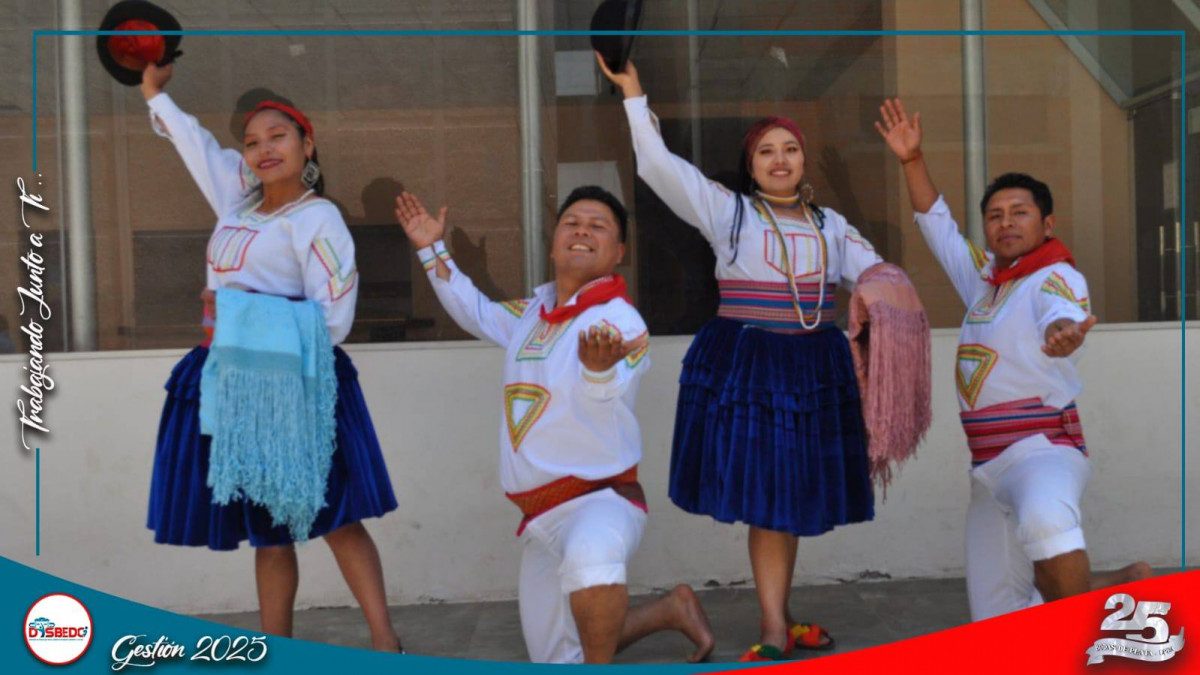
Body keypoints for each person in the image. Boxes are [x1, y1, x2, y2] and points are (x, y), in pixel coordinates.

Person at [599, 55, 885, 661]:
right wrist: (633, 94)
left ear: (803, 160)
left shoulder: (831, 225)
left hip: (813, 368)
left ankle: (780, 613)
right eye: (766, 152)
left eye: (790, 149)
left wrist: (884, 300)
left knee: (792, 499)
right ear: (750, 166)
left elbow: (880, 275)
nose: (781, 159)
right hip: (754, 366)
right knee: (770, 499)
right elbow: (656, 165)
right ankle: (775, 625)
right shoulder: (729, 213)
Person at [141, 61, 402, 651]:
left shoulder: (318, 218)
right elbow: (197, 146)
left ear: (307, 144)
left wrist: (237, 313)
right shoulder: (237, 203)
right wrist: (157, 96)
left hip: (299, 385)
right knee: (269, 532)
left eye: (277, 136)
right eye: (252, 142)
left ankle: (386, 643)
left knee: (334, 517)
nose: (262, 149)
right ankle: (276, 651)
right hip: (234, 382)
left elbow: (333, 319)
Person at [396, 186, 713, 664]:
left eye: (598, 225)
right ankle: (672, 610)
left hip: (599, 502)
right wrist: (430, 248)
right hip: (539, 520)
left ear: (619, 253)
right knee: (555, 660)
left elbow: (611, 388)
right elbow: (475, 310)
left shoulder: (621, 321)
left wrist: (599, 369)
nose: (582, 229)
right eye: (572, 222)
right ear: (553, 241)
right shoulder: (530, 314)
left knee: (593, 564)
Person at [875, 98, 1151, 620]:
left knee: (1048, 520)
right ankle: (1120, 584)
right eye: (995, 216)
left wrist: (1064, 333)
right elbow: (937, 228)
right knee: (996, 626)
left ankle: (1096, 638)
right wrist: (912, 160)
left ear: (1047, 223)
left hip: (1041, 450)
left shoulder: (1056, 276)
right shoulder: (985, 281)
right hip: (987, 471)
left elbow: (1061, 313)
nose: (1005, 223)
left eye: (1019, 213)